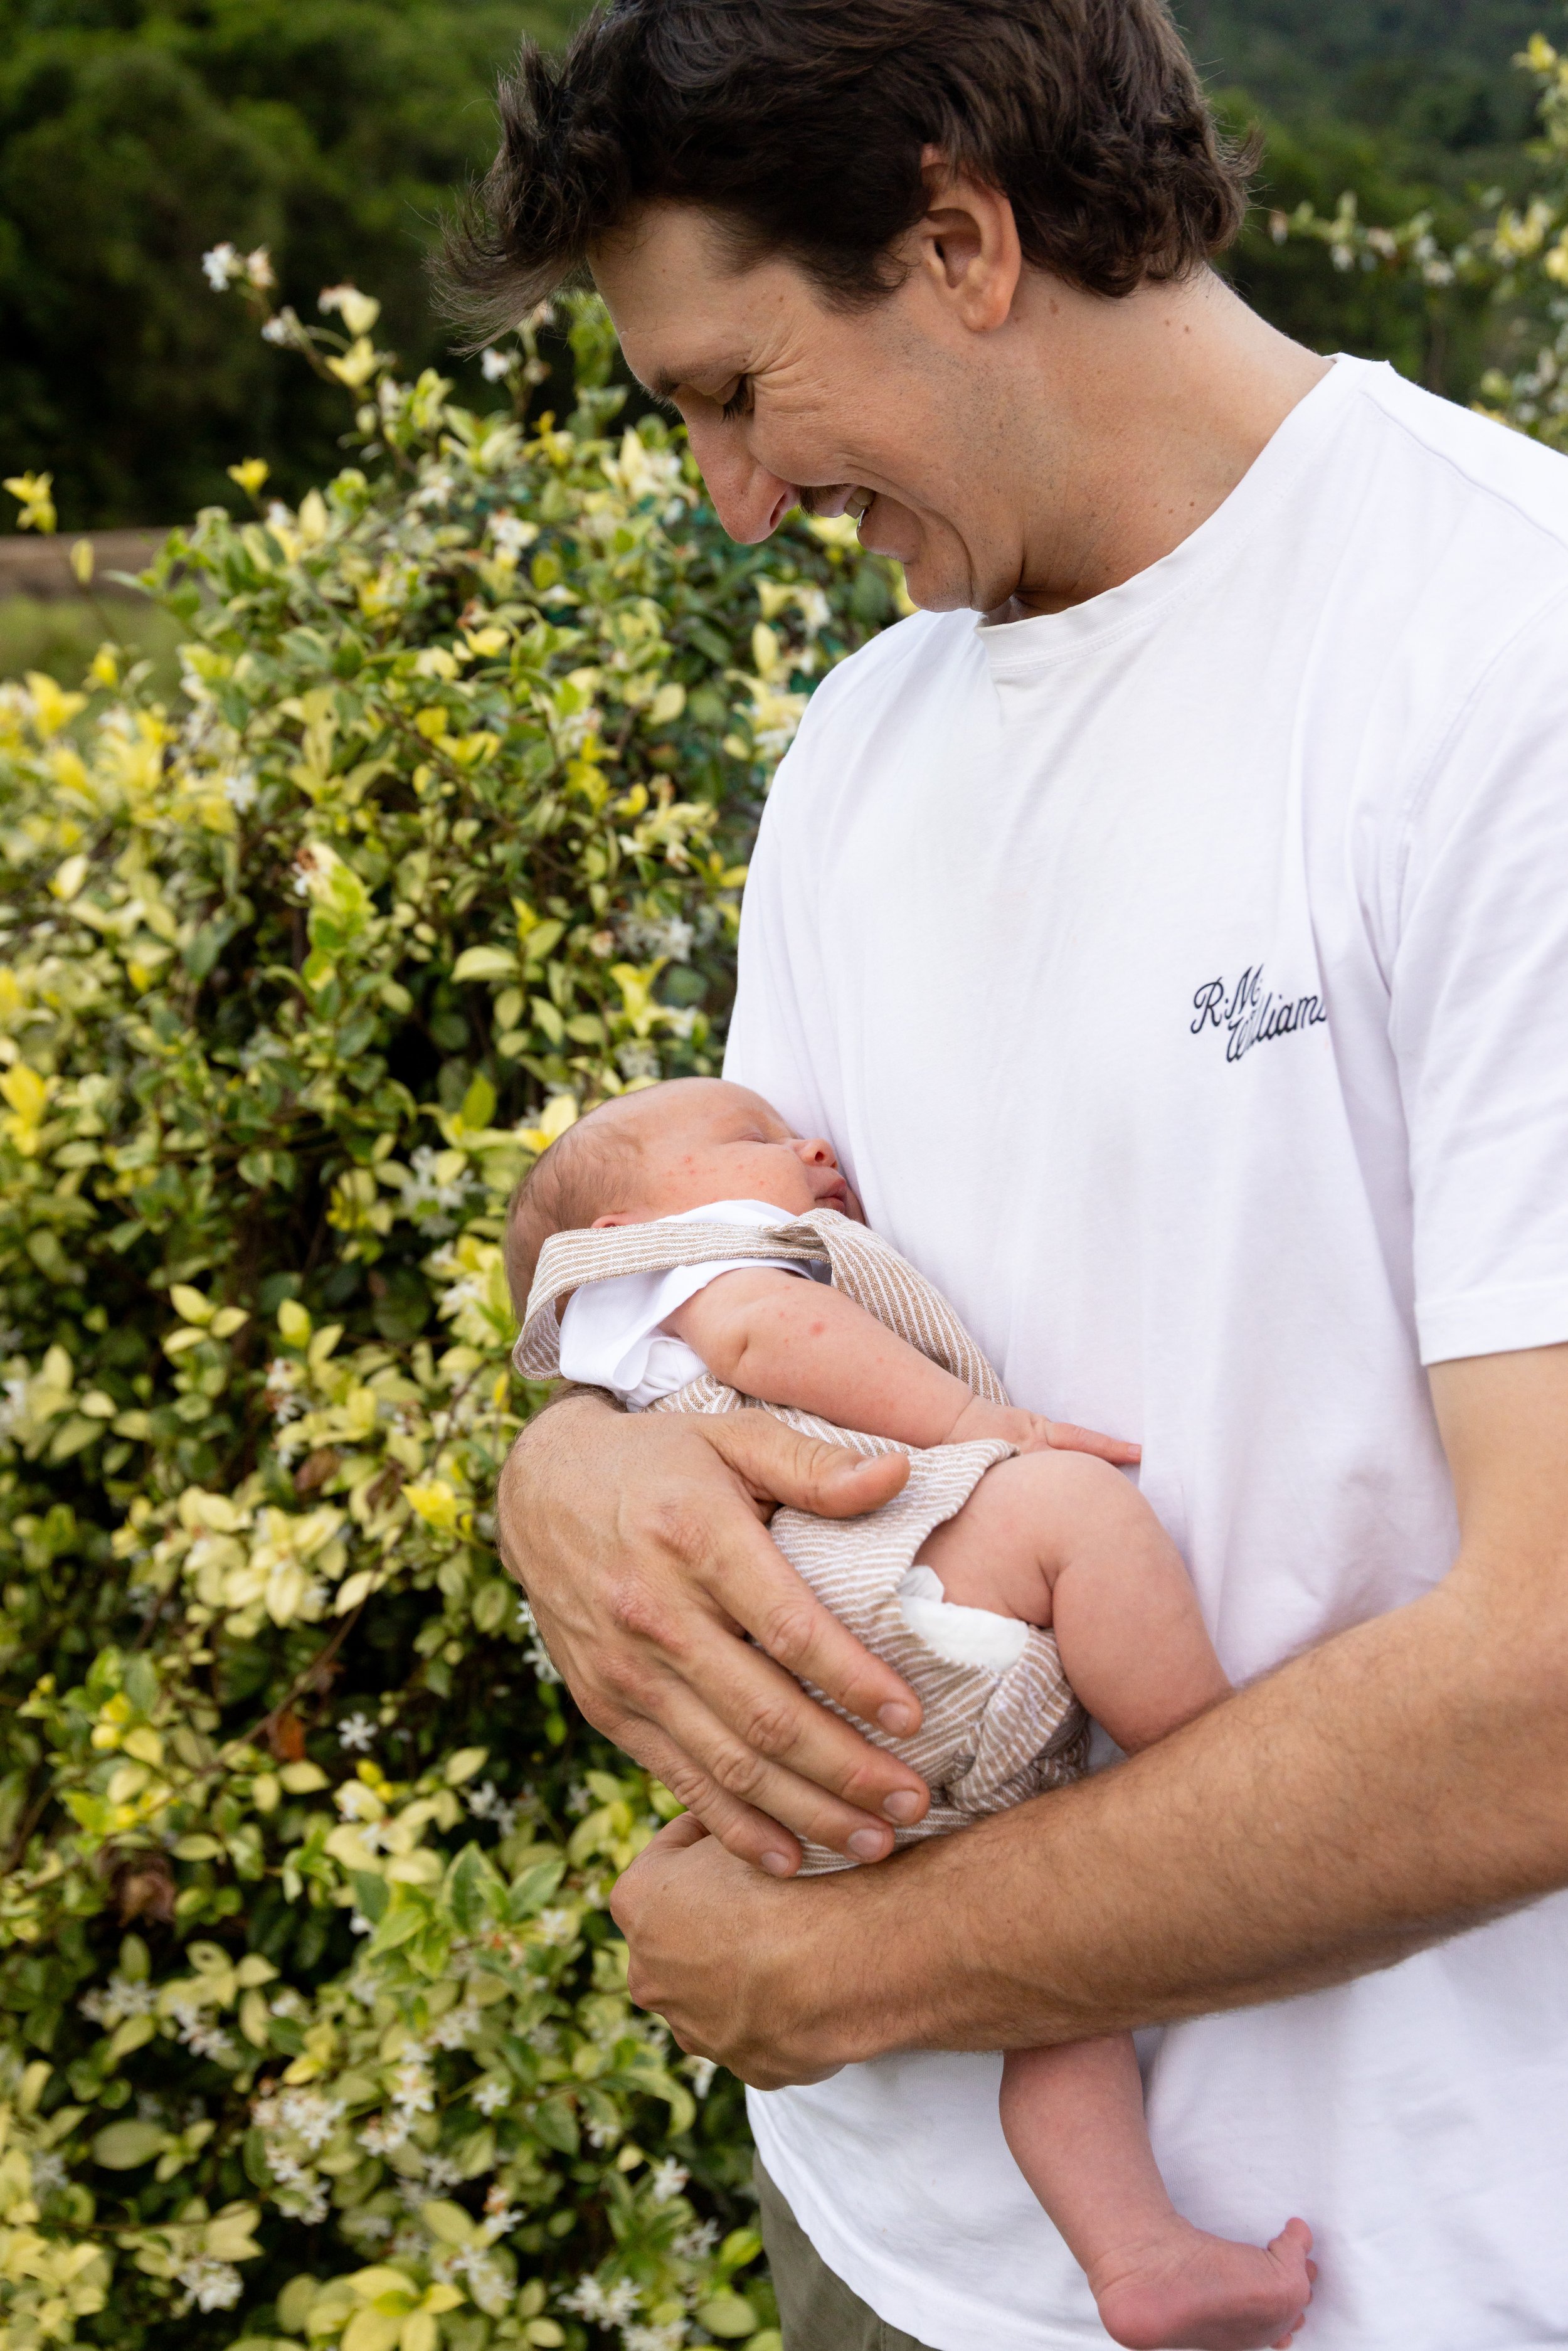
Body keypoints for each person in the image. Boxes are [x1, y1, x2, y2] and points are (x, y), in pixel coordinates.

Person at [442, 2, 1568, 2345]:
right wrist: (564, 1464)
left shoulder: (1503, 666)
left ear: (958, 237)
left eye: (734, 396)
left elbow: (1550, 1678)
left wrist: (857, 1958)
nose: (735, 501)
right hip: (885, 2227)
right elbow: (745, 1288)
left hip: (1381, 2269)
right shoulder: (865, 740)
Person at [506, 1074, 1315, 2348]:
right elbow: (784, 1343)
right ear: (612, 1236)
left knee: (1058, 1987)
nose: (806, 1142)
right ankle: (1208, 1763)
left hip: (836, 1722)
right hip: (864, 1604)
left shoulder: (620, 1354)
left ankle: (1134, 2249)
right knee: (1066, 1509)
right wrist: (972, 1424)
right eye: (749, 1137)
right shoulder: (690, 1274)